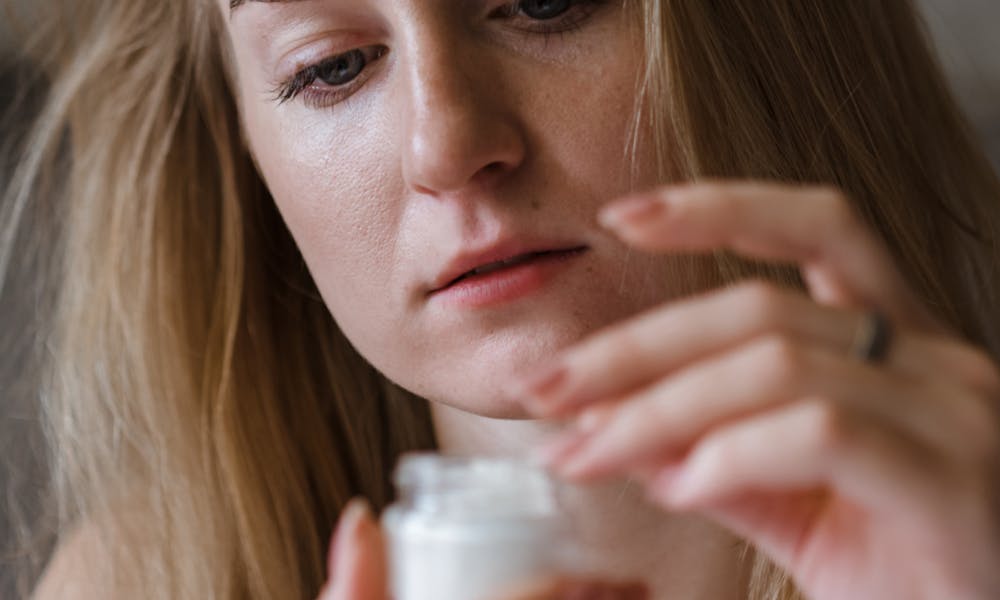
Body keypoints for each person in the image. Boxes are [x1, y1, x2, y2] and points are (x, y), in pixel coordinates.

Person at [3, 0, 999, 598]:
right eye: (333, 66)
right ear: (237, 158)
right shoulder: (150, 579)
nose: (447, 143)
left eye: (542, 0)